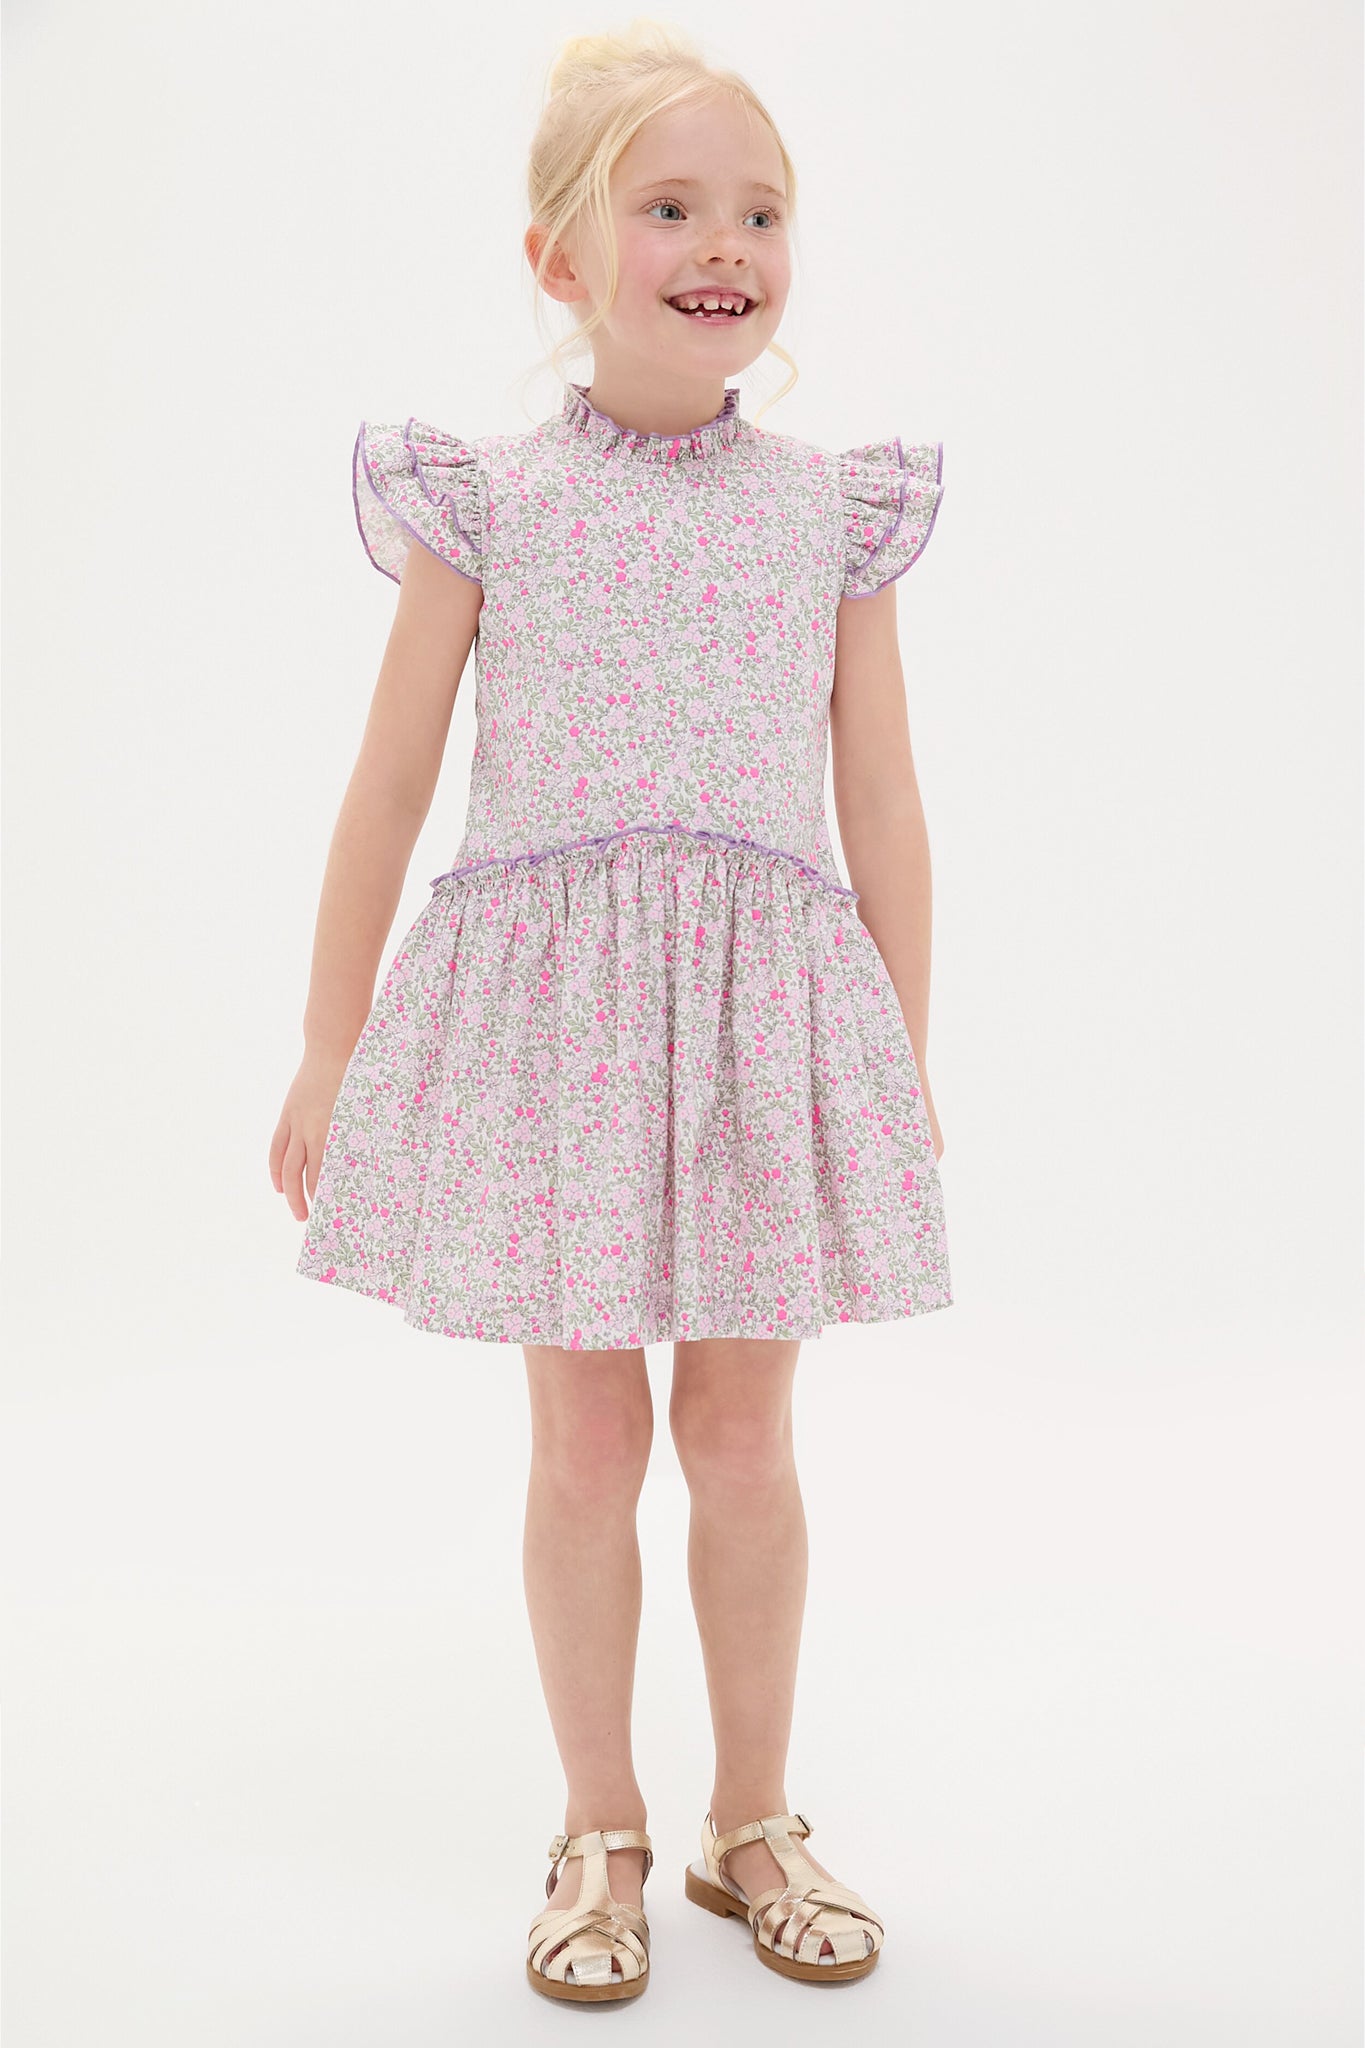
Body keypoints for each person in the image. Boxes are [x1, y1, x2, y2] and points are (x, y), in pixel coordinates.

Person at [269, 19, 953, 2006]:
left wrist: (896, 1060)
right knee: (583, 1438)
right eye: (669, 207)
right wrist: (326, 1038)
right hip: (552, 1031)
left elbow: (882, 799)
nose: (722, 244)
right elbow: (390, 783)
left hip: (760, 1027)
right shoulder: (483, 502)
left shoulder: (832, 512)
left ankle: (754, 1817)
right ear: (558, 257)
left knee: (739, 1433)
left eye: (758, 210)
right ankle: (598, 1826)